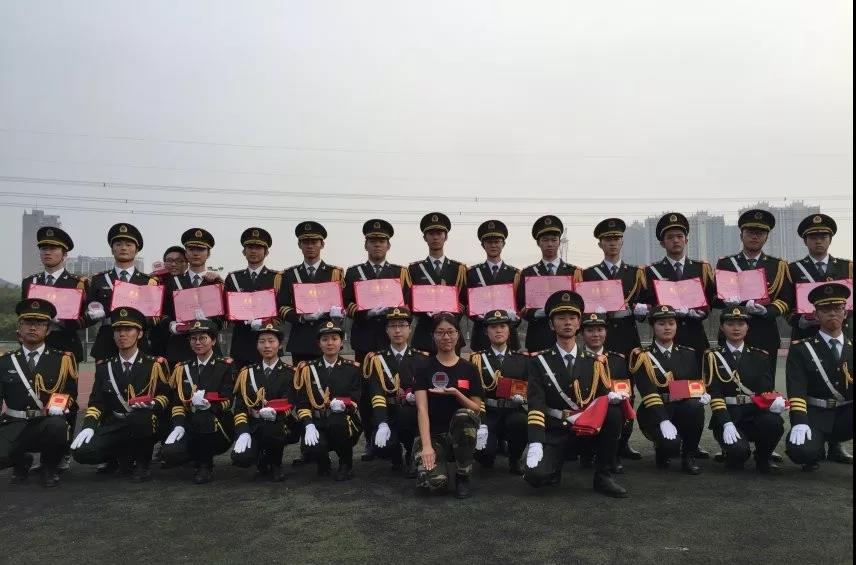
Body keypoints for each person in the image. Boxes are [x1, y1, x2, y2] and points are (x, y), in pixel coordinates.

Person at [524, 291, 628, 498]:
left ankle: (603, 475)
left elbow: (601, 401)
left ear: (579, 323)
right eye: (561, 318)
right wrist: (535, 441)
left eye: (572, 318)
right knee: (536, 477)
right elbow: (536, 405)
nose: (567, 323)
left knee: (613, 411)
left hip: (586, 430)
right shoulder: (538, 361)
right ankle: (554, 466)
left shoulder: (595, 361)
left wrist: (610, 398)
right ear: (551, 324)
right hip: (556, 429)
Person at [71, 307, 171, 483]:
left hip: (146, 422)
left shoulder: (154, 364)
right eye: (117, 330)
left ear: (140, 334)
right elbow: (97, 403)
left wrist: (153, 404)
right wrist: (88, 426)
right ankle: (121, 456)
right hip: (117, 422)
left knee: (141, 419)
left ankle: (142, 463)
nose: (122, 334)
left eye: (128, 329)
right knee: (82, 452)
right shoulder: (105, 367)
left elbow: (165, 395)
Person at [343, 219, 411, 462]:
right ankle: (372, 440)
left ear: (388, 245)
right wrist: (366, 312)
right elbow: (346, 304)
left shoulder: (400, 273)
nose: (377, 245)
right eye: (372, 241)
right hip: (365, 341)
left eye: (381, 241)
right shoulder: (353, 272)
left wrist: (397, 311)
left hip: (393, 339)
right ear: (366, 245)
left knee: (397, 388)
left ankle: (399, 437)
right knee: (366, 392)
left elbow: (409, 303)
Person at [788, 213, 853, 464]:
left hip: (840, 334)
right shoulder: (793, 269)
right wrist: (801, 321)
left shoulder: (847, 267)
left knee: (841, 384)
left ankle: (836, 444)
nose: (818, 241)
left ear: (830, 239)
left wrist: (839, 318)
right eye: (813, 236)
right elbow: (786, 305)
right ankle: (812, 436)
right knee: (809, 384)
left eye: (823, 236)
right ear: (805, 240)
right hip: (807, 337)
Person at [582, 217, 646, 463]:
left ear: (622, 242)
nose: (612, 243)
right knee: (595, 389)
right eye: (607, 239)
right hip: (598, 339)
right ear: (600, 244)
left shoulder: (636, 273)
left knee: (626, 391)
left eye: (616, 238)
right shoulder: (588, 274)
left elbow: (648, 304)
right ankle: (591, 442)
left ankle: (623, 442)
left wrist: (640, 310)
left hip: (627, 340)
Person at [0, 299, 78, 487]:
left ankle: (49, 467)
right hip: (13, 423)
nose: (33, 327)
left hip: (45, 422)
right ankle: (21, 461)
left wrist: (60, 405)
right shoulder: (5, 361)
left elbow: (70, 393)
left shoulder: (63, 360)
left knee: (58, 426)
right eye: (28, 323)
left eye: (40, 323)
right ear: (19, 328)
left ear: (48, 330)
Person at [704, 306, 785, 474]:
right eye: (730, 324)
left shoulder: (761, 356)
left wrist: (774, 403)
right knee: (739, 455)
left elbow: (765, 391)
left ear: (748, 327)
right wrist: (726, 423)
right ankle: (732, 452)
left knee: (774, 423)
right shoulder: (712, 356)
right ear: (722, 327)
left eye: (741, 324)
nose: (736, 328)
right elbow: (715, 394)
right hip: (727, 416)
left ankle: (763, 458)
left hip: (753, 415)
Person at [631, 305, 708, 475]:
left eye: (671, 323)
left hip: (682, 407)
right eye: (661, 324)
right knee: (670, 447)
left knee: (695, 407)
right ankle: (662, 450)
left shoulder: (688, 354)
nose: (667, 328)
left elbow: (694, 384)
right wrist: (663, 420)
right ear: (652, 326)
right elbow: (648, 392)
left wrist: (701, 394)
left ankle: (689, 455)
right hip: (655, 410)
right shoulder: (642, 356)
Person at [785, 283, 853, 472]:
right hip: (816, 414)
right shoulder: (801, 349)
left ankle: (833, 445)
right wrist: (800, 421)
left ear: (845, 313)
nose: (832, 313)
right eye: (825, 309)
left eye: (837, 308)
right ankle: (815, 448)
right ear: (815, 315)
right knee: (801, 451)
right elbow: (796, 389)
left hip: (846, 416)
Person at [413, 313, 482, 498]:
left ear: (458, 335)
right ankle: (435, 460)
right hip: (434, 434)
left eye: (450, 332)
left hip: (459, 434)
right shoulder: (423, 368)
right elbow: (421, 409)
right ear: (433, 336)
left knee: (464, 415)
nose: (446, 337)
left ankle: (462, 475)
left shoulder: (469, 368)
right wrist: (426, 446)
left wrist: (456, 393)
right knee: (435, 484)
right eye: (440, 332)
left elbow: (476, 408)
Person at [715, 209, 793, 372]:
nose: (755, 237)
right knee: (729, 379)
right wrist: (725, 302)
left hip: (765, 332)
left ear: (766, 237)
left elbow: (786, 299)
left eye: (760, 233)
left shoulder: (777, 265)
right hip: (731, 332)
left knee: (765, 382)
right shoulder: (726, 264)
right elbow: (714, 297)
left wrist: (767, 311)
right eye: (750, 232)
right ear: (741, 235)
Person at [162, 319, 236, 484]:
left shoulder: (224, 366)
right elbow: (178, 402)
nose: (197, 342)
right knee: (170, 453)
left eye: (203, 338)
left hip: (216, 422)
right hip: (190, 421)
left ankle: (205, 465)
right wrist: (178, 424)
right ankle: (194, 455)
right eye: (193, 339)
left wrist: (210, 405)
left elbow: (228, 399)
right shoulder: (182, 368)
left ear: (213, 341)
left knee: (203, 418)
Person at [639, 213, 715, 370]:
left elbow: (712, 299)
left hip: (695, 337)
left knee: (698, 380)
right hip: (664, 341)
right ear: (662, 243)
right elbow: (644, 306)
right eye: (670, 237)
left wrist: (702, 312)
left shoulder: (701, 269)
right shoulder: (650, 272)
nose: (676, 240)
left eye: (680, 236)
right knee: (665, 379)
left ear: (686, 240)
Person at [294, 321, 362, 481]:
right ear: (319, 344)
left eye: (334, 339)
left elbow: (355, 398)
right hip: (317, 420)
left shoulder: (352, 368)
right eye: (325, 339)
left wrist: (344, 405)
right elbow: (302, 402)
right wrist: (308, 424)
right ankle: (323, 460)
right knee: (312, 445)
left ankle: (346, 464)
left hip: (342, 420)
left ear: (341, 342)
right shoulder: (307, 369)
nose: (330, 343)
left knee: (338, 424)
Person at [230, 320, 297, 482]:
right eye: (262, 341)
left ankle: (276, 464)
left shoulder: (290, 373)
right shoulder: (247, 373)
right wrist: (243, 431)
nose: (267, 346)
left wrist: (274, 413)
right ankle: (261, 456)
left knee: (272, 429)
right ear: (257, 345)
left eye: (271, 341)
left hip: (280, 422)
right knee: (241, 458)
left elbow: (290, 402)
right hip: (254, 422)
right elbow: (240, 407)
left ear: (280, 345)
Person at [84, 223, 160, 362]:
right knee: (106, 376)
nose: (123, 248)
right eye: (118, 244)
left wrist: (141, 318)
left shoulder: (148, 282)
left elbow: (155, 318)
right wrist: (93, 314)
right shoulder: (98, 280)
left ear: (137, 250)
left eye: (129, 244)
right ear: (112, 249)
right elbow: (86, 314)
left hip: (138, 342)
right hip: (107, 341)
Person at [366, 308, 428, 477]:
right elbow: (377, 394)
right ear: (386, 330)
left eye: (402, 325)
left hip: (412, 414)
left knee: (407, 418)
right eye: (393, 326)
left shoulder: (422, 358)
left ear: (410, 329)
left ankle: (411, 453)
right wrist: (382, 423)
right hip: (388, 413)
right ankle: (395, 456)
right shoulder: (377, 360)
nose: (398, 330)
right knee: (380, 445)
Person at [469, 310, 530, 475]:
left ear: (509, 330)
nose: (498, 330)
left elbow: (530, 387)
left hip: (513, 410)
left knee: (521, 422)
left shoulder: (522, 359)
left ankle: (515, 458)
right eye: (493, 327)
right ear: (486, 331)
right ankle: (490, 451)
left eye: (503, 326)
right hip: (487, 412)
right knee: (485, 456)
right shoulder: (477, 359)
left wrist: (523, 397)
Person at [276, 222, 345, 363]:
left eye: (314, 242)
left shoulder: (334, 273)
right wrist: (302, 317)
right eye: (306, 242)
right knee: (302, 376)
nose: (310, 246)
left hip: (328, 338)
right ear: (299, 245)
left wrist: (338, 312)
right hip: (301, 340)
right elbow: (282, 307)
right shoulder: (289, 274)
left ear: (322, 244)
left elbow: (344, 303)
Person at [21, 226, 89, 363]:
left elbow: (88, 317)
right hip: (34, 347)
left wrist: (63, 322)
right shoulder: (29, 282)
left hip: (66, 346)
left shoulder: (78, 283)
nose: (47, 252)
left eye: (52, 249)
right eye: (43, 248)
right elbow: (23, 314)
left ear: (64, 254)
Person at [518, 215, 583, 353]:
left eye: (554, 240)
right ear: (538, 243)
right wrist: (537, 312)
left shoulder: (574, 272)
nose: (550, 244)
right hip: (538, 338)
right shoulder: (528, 273)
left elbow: (581, 304)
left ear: (559, 242)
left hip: (567, 339)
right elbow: (520, 307)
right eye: (545, 240)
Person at [580, 312, 633, 473]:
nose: (596, 335)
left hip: (611, 409)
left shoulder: (617, 359)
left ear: (606, 332)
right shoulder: (576, 358)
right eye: (590, 330)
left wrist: (620, 397)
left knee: (618, 413)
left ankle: (612, 456)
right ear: (582, 333)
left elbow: (624, 388)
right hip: (584, 409)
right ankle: (586, 453)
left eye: (600, 330)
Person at [162, 228, 224, 365]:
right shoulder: (172, 282)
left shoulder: (216, 283)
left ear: (208, 253)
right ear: (186, 253)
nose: (196, 253)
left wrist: (210, 323)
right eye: (191, 249)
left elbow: (223, 319)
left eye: (201, 249)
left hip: (209, 349)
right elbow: (162, 314)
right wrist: (171, 325)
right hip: (179, 348)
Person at [224, 227, 283, 369]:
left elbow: (281, 309)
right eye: (250, 247)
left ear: (266, 252)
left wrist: (264, 322)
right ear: (244, 251)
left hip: (268, 342)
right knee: (241, 380)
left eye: (258, 248)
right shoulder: (233, 278)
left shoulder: (277, 278)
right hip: (241, 343)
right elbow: (226, 311)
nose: (254, 251)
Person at [407, 213, 467, 353]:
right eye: (431, 234)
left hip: (451, 335)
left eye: (439, 233)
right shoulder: (414, 269)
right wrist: (423, 310)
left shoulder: (458, 269)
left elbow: (465, 300)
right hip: (424, 335)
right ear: (425, 238)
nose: (435, 237)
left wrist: (453, 312)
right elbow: (409, 302)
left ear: (446, 237)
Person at [466, 220, 521, 352]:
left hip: (508, 336)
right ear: (483, 245)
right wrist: (476, 314)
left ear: (503, 244)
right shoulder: (472, 273)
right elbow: (466, 305)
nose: (493, 245)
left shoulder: (515, 274)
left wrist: (515, 317)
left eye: (497, 242)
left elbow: (520, 305)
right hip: (481, 335)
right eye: (489, 242)